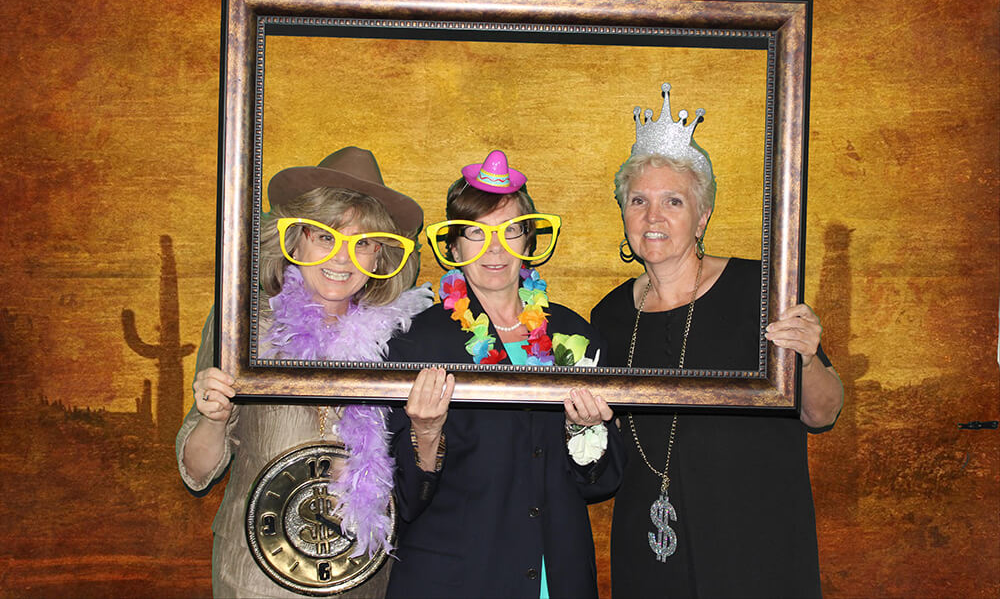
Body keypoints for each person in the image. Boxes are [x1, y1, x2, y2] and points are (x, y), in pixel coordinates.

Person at [590, 84, 844, 598]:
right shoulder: (609, 315)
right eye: (638, 200)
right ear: (623, 213)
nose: (652, 217)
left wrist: (809, 357)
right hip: (650, 543)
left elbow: (824, 414)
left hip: (755, 547)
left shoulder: (761, 289)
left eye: (673, 201)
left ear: (702, 215)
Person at [176, 147, 434, 598]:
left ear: (380, 258)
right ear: (294, 239)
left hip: (360, 572)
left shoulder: (402, 339)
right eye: (325, 237)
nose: (342, 258)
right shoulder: (242, 324)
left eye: (363, 243)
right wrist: (214, 417)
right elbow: (196, 471)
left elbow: (420, 468)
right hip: (256, 573)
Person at [384, 150, 626, 599]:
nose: (495, 248)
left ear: (529, 242)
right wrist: (426, 432)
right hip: (456, 582)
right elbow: (401, 499)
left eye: (510, 230)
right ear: (453, 247)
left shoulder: (575, 333)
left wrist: (585, 433)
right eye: (476, 233)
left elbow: (605, 481)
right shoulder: (414, 342)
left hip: (559, 577)